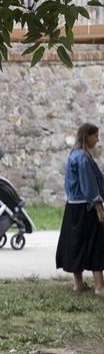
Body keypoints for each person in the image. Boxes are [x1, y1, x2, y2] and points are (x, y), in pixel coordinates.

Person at [55, 123, 104, 295]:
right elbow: (89, 186)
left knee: (76, 244)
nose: (97, 139)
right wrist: (99, 208)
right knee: (96, 244)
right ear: (86, 136)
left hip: (73, 208)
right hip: (86, 207)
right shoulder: (83, 158)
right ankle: (99, 286)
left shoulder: (73, 155)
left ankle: (79, 284)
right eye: (95, 136)